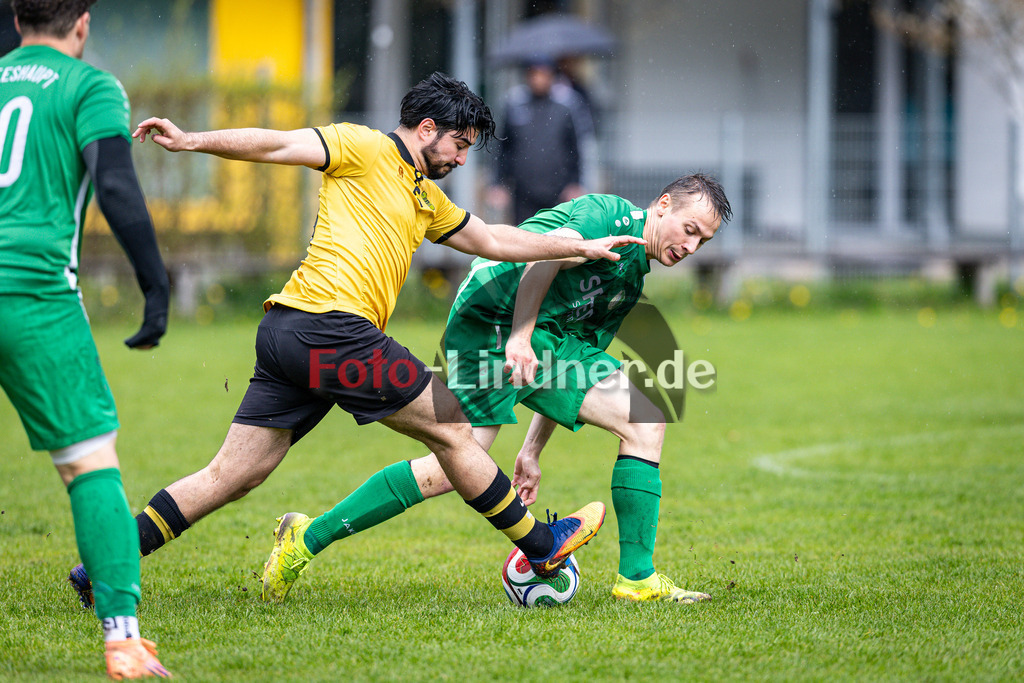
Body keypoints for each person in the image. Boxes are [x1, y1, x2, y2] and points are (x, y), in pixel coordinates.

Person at [68, 71, 646, 607]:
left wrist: (575, 246)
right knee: (456, 431)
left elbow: (494, 240)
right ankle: (542, 545)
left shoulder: (425, 196)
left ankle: (101, 567)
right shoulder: (360, 146)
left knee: (233, 475)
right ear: (427, 129)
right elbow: (275, 145)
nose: (462, 157)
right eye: (459, 144)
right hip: (332, 329)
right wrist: (192, 140)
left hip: (289, 332)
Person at [260, 173, 733, 605]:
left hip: (537, 336)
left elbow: (578, 356)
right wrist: (521, 337)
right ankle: (306, 540)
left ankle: (637, 579)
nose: (692, 246)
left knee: (644, 420)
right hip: (491, 320)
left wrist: (531, 450)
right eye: (690, 229)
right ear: (664, 204)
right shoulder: (606, 216)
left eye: (703, 241)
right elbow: (547, 257)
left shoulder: (629, 278)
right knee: (453, 463)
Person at [0, 0, 170, 678]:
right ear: (83, 23)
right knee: (88, 461)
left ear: (17, 22)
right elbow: (116, 186)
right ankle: (125, 642)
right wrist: (155, 284)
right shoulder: (89, 85)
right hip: (34, 292)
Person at [488, 57, 590, 224]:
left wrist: (575, 183)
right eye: (534, 74)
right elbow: (503, 149)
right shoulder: (515, 107)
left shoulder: (564, 109)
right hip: (522, 191)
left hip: (558, 191)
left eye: (544, 74)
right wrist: (498, 183)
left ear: (552, 77)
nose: (538, 79)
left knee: (556, 239)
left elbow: (574, 150)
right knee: (524, 237)